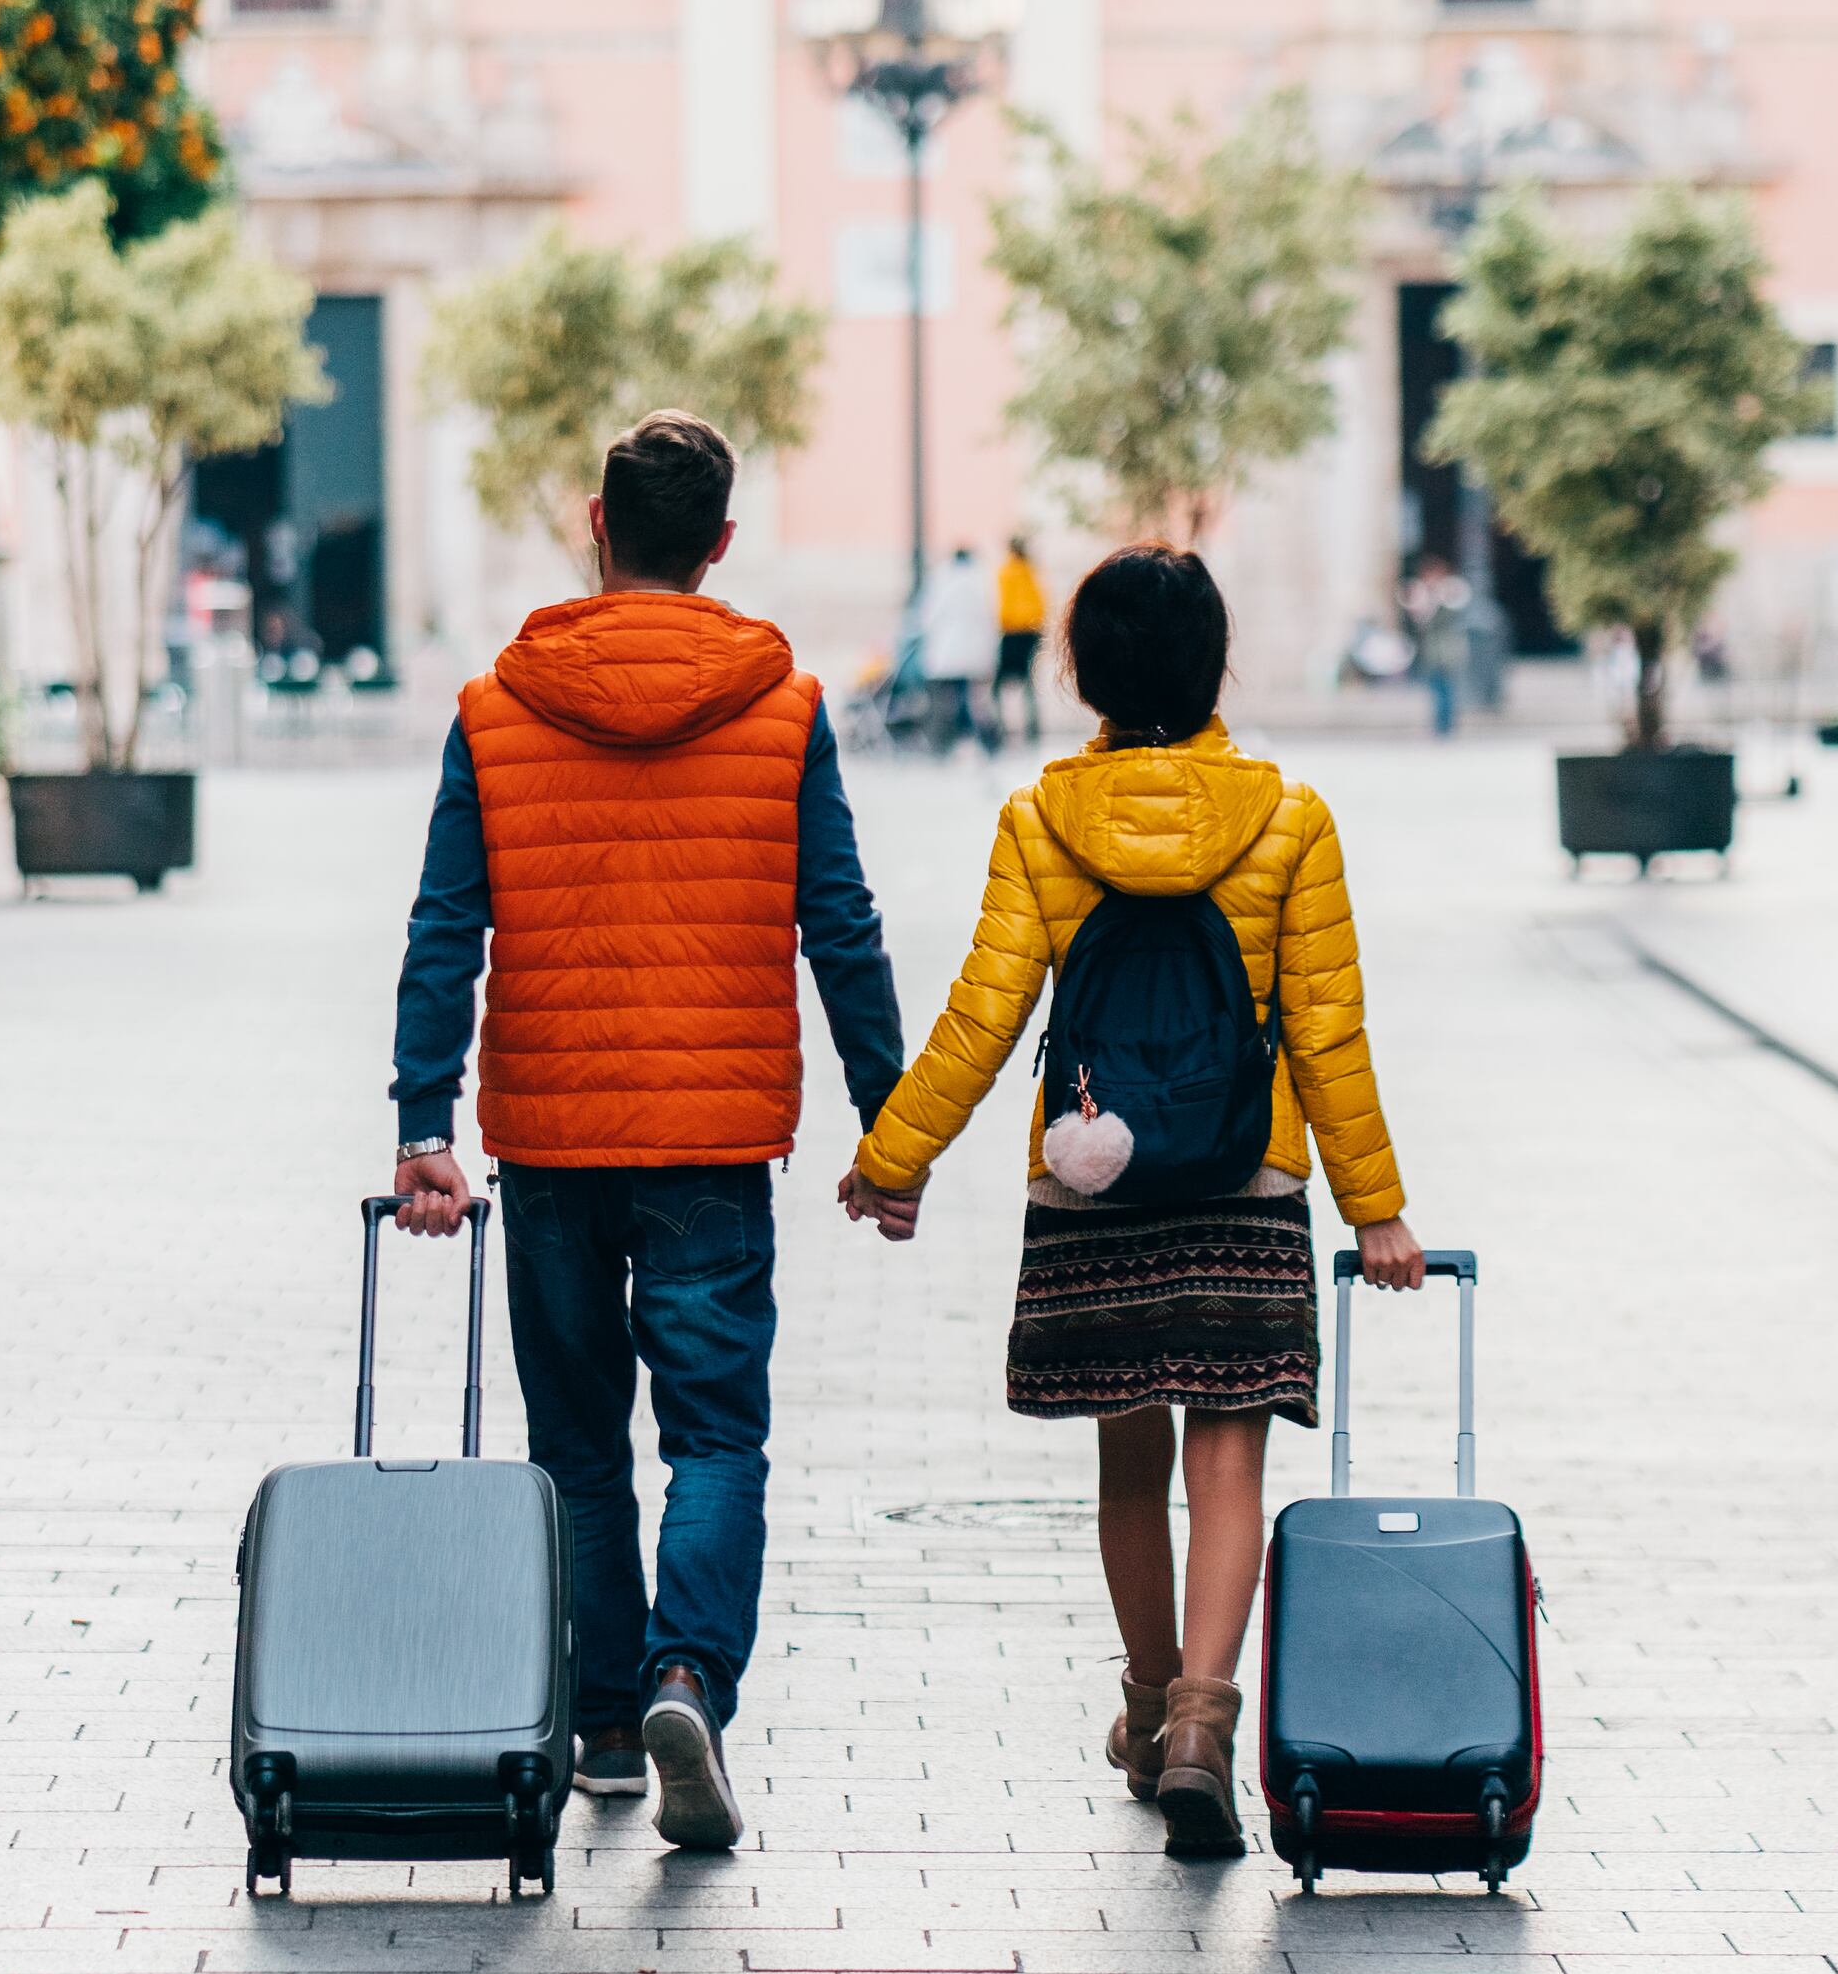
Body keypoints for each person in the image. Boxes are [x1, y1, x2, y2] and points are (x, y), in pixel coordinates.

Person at [838, 547, 1427, 1861]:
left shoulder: (1043, 819)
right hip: (1247, 1176)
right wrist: (1375, 1205)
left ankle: (1152, 1704)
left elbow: (984, 1016)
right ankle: (1208, 1730)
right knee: (1229, 1452)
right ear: (1216, 663)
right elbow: (1330, 1032)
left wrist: (897, 1153)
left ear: (1082, 674)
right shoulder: (1288, 819)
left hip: (1093, 1174)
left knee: (1129, 1454)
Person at [389, 411, 910, 1853]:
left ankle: (608, 1720)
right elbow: (841, 927)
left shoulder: (496, 706)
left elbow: (448, 922)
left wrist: (420, 1117)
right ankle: (691, 1672)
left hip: (550, 1135)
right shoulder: (784, 703)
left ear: (596, 525)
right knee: (718, 1434)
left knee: (577, 1440)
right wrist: (896, 1123)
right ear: (721, 544)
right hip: (710, 1142)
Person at [912, 542, 1001, 754]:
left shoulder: (941, 578)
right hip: (975, 651)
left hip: (946, 651)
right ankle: (988, 745)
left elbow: (926, 616)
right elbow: (992, 615)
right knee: (977, 702)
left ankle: (942, 746)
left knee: (945, 703)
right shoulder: (983, 578)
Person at [1397, 555, 1473, 739]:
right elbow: (1420, 622)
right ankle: (1440, 724)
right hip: (1432, 651)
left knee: (1446, 689)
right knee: (1436, 688)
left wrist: (1435, 599)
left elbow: (1451, 613)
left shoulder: (1450, 591)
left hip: (1448, 650)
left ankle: (1445, 725)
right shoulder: (1423, 594)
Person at [989, 533, 1049, 743]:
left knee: (998, 685)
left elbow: (1002, 603)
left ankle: (999, 727)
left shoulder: (1006, 572)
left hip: (1011, 631)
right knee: (1028, 682)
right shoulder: (1031, 570)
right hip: (1031, 632)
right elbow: (1041, 601)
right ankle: (1032, 727)